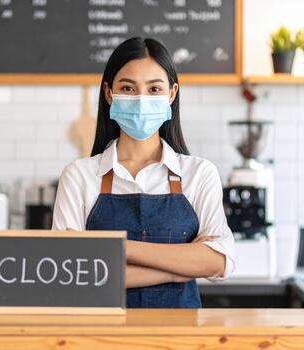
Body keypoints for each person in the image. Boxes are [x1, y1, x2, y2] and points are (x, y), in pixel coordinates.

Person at [52, 37, 235, 308]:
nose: (140, 99)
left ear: (171, 94)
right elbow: (69, 275)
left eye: (154, 89)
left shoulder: (199, 173)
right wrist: (179, 268)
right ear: (108, 93)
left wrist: (114, 249)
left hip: (180, 340)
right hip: (100, 338)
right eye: (128, 87)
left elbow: (220, 262)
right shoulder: (79, 175)